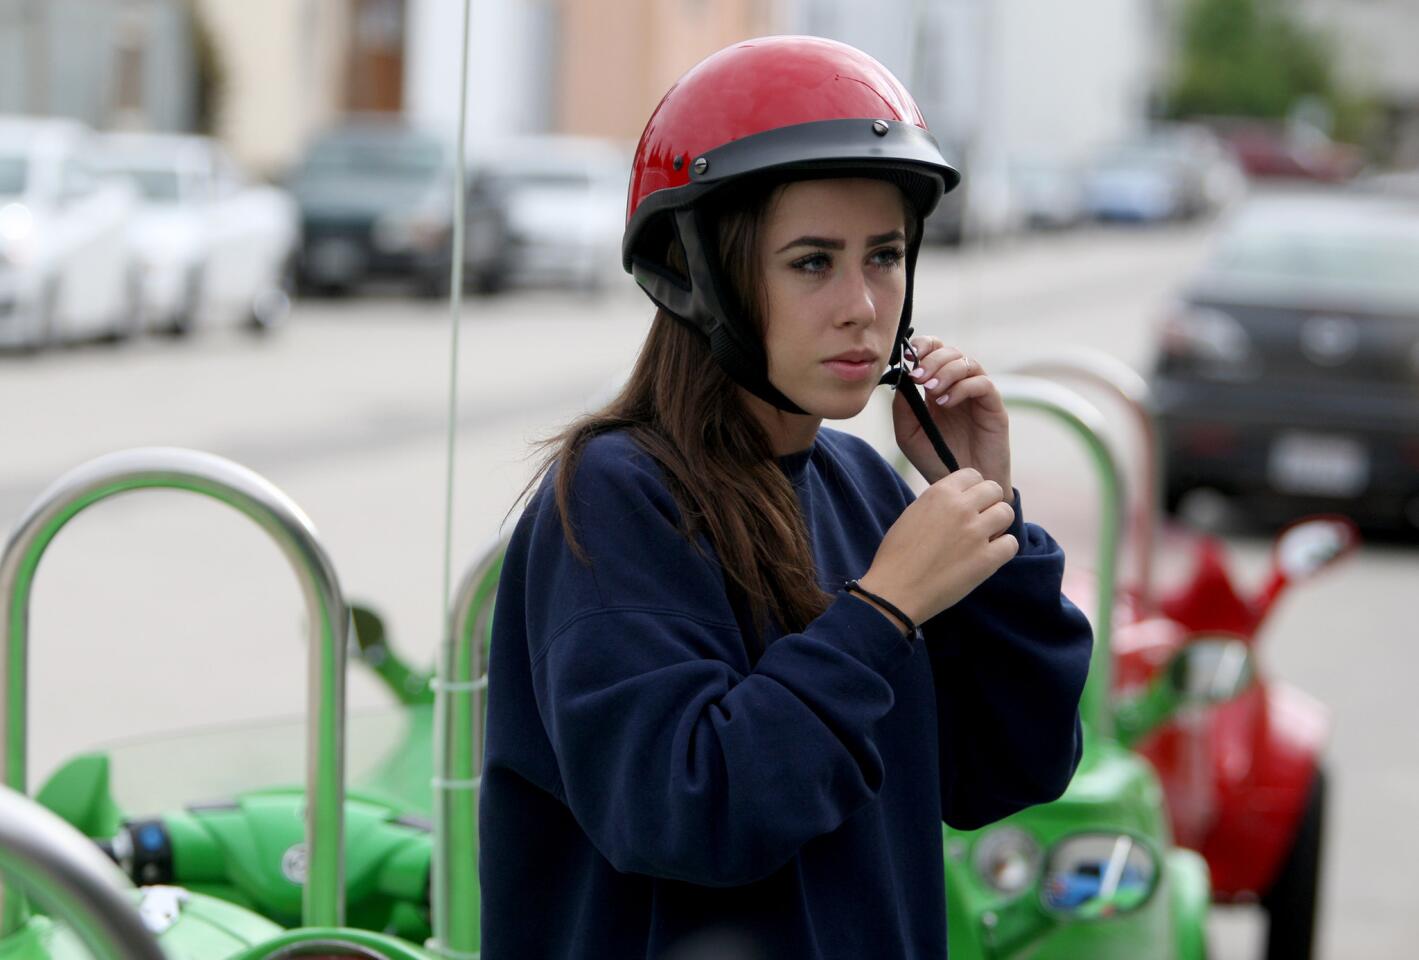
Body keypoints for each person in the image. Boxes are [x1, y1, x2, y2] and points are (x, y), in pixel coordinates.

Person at [478, 36, 1092, 959]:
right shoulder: (615, 496)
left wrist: (985, 508)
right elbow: (688, 813)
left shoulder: (862, 487)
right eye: (812, 262)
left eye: (883, 256)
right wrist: (882, 608)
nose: (861, 304)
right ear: (702, 274)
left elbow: (1010, 768)